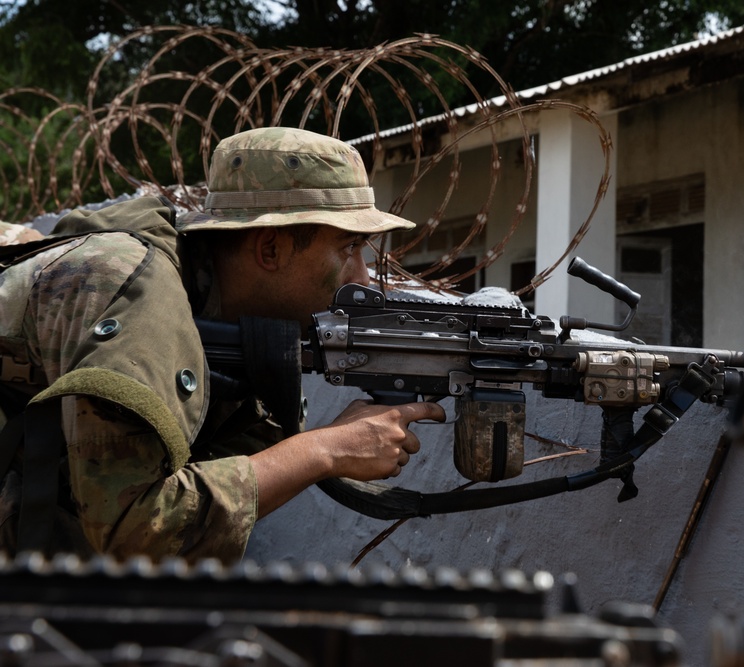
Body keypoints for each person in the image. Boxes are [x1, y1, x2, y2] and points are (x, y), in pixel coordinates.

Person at [0, 127, 445, 561]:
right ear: (269, 249)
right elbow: (133, 532)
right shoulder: (140, 296)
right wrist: (323, 450)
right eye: (349, 247)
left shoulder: (214, 306)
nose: (364, 278)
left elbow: (212, 477)